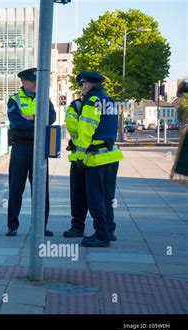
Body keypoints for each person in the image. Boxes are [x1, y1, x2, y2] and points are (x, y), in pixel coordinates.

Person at [73, 71, 124, 247]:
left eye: (82, 85)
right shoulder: (109, 101)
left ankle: (101, 235)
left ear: (88, 85)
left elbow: (86, 131)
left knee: (95, 198)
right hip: (111, 155)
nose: (81, 89)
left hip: (96, 158)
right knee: (107, 197)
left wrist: (79, 156)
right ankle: (109, 230)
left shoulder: (91, 102)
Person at [6, 68, 56, 237]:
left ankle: (41, 226)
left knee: (41, 189)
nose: (35, 84)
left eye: (36, 81)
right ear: (23, 82)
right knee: (16, 187)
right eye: (31, 81)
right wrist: (37, 120)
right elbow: (17, 122)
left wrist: (30, 118)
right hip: (20, 147)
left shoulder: (44, 98)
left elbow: (51, 117)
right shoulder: (14, 99)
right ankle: (12, 226)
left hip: (39, 148)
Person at [63, 73, 89, 238]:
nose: (83, 88)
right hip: (80, 157)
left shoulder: (99, 104)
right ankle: (78, 226)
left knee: (97, 195)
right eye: (82, 85)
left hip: (95, 158)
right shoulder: (76, 105)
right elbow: (72, 126)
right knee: (78, 195)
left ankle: (105, 228)